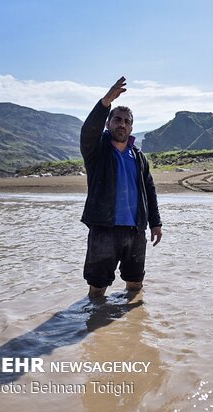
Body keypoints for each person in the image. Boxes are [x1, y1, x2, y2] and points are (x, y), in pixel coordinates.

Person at [80, 77, 163, 298]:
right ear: (108, 123)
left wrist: (155, 223)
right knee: (97, 289)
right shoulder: (97, 152)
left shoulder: (138, 156)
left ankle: (132, 328)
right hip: (104, 229)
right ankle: (95, 327)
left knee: (135, 284)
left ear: (131, 127)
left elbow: (149, 190)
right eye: (117, 120)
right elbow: (88, 131)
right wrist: (105, 102)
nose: (122, 124)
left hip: (135, 231)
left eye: (127, 121)